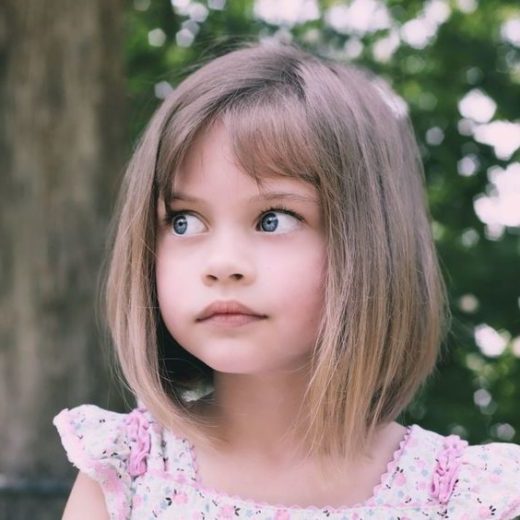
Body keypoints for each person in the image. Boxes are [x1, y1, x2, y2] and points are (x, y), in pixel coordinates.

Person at [53, 41, 520, 519]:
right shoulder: (123, 473)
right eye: (184, 222)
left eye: (273, 219)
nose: (222, 263)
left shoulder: (468, 498)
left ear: (368, 241)